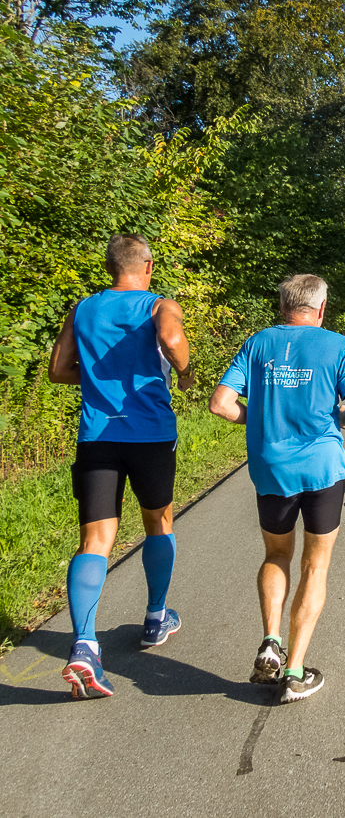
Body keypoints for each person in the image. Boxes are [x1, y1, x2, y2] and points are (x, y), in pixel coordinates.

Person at [209, 274, 345, 703]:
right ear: (320, 309)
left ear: (283, 308)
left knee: (276, 553)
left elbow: (220, 403)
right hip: (322, 470)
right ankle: (296, 671)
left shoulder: (258, 343)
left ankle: (269, 641)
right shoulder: (338, 346)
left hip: (271, 469)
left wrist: (257, 419)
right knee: (315, 566)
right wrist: (339, 421)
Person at [49, 234, 194, 699]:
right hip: (151, 435)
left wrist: (95, 381)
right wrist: (186, 373)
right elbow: (172, 340)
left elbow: (58, 370)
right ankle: (155, 617)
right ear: (147, 266)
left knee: (94, 539)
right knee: (158, 521)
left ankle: (86, 646)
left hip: (97, 435)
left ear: (111, 267)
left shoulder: (83, 308)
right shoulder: (158, 306)